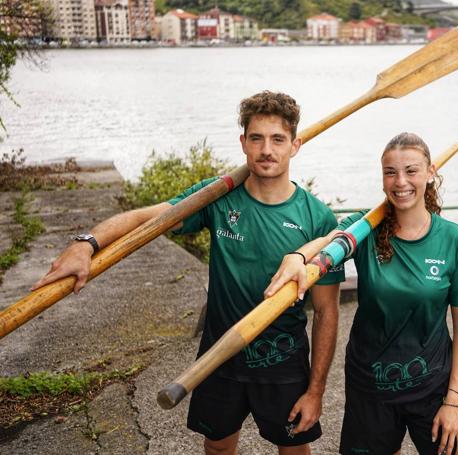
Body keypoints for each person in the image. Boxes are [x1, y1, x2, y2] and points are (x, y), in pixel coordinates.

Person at [32, 91, 344, 455]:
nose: (266, 150)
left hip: (283, 364)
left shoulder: (317, 217)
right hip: (219, 357)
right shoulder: (218, 196)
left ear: (296, 145)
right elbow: (146, 218)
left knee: (293, 451)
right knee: (217, 448)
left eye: (277, 139)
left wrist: (316, 391)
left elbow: (327, 312)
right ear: (243, 143)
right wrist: (86, 243)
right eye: (256, 138)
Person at [265, 132, 458, 455]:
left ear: (430, 172)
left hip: (433, 387)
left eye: (411, 171)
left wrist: (454, 401)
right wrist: (298, 258)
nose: (400, 182)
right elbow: (329, 242)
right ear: (382, 178)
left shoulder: (454, 240)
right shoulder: (365, 229)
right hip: (371, 387)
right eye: (390, 172)